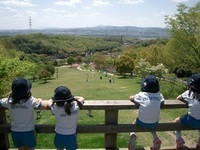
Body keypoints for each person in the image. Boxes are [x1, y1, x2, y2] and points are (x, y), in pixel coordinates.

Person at [0, 77, 47, 150]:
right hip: (28, 132)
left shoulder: (8, 101)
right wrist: (40, 100)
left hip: (15, 132)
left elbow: (1, 102)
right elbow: (43, 105)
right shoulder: (31, 101)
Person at [128, 75, 165, 150]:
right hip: (154, 123)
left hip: (142, 122)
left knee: (134, 122)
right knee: (151, 125)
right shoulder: (159, 95)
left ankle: (133, 134)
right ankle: (156, 138)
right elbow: (162, 102)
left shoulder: (141, 95)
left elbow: (131, 98)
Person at [46, 86, 84, 150]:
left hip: (59, 135)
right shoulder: (76, 106)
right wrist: (72, 98)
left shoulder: (56, 108)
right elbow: (81, 98)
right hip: (71, 136)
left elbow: (48, 103)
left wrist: (53, 99)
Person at [174, 73, 200, 149]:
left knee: (176, 121)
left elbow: (178, 98)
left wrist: (187, 100)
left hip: (191, 120)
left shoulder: (189, 93)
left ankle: (179, 139)